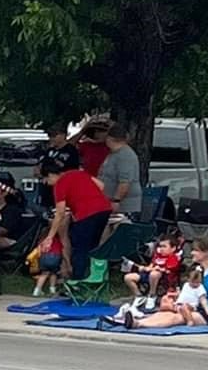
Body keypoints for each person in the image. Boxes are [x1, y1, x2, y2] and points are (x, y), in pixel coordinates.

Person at [37, 147, 114, 290]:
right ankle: (92, 278)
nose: (46, 183)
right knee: (93, 246)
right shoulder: (78, 173)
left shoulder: (59, 185)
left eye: (45, 179)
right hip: (104, 209)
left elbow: (59, 213)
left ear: (51, 175)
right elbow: (101, 186)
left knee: (80, 247)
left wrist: (50, 236)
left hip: (86, 214)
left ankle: (77, 282)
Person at [95, 122, 142, 220]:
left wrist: (116, 200)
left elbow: (124, 182)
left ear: (110, 139)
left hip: (124, 206)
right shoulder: (113, 154)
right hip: (107, 202)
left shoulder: (125, 156)